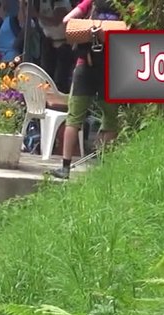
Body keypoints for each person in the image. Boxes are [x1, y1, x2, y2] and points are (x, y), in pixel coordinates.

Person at [48, 0, 122, 180]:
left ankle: (65, 168)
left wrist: (91, 29)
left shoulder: (90, 2)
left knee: (74, 118)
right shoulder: (125, 6)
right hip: (111, 69)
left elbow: (67, 20)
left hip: (85, 66)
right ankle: (102, 165)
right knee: (110, 119)